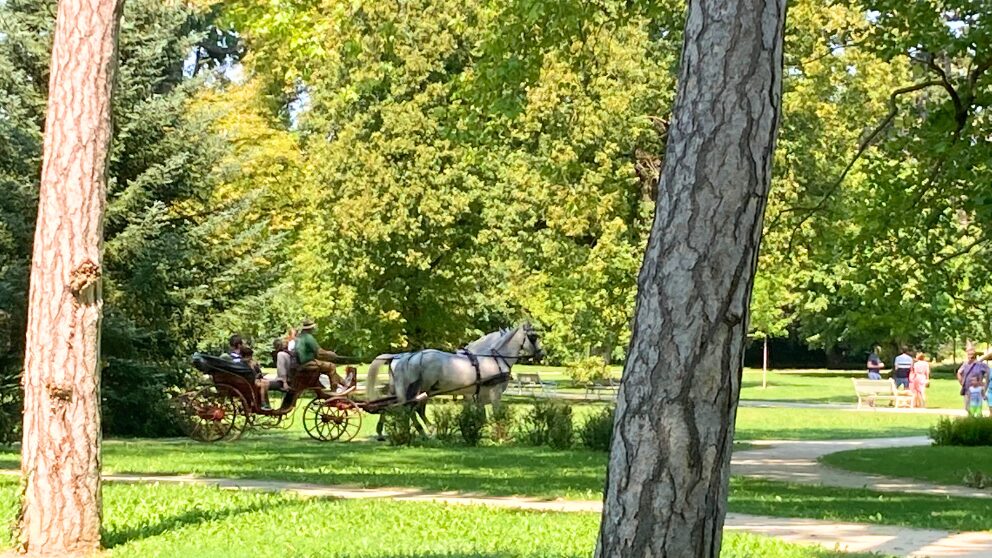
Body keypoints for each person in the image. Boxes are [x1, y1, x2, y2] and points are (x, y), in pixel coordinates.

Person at [296, 319, 353, 394]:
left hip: (302, 363)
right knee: (331, 366)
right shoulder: (308, 338)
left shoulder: (300, 337)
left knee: (329, 368)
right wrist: (331, 354)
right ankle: (334, 390)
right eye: (313, 328)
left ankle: (344, 383)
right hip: (308, 363)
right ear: (311, 328)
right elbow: (320, 352)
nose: (314, 329)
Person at [959, 344, 989, 412]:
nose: (970, 356)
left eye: (971, 355)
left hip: (977, 390)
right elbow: (959, 372)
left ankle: (976, 420)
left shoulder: (981, 365)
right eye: (968, 354)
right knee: (967, 408)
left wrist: (984, 384)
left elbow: (988, 373)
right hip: (967, 389)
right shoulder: (965, 364)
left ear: (974, 355)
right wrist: (962, 383)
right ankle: (970, 420)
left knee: (976, 408)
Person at [241, 346, 272, 410]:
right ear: (247, 356)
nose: (251, 358)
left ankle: (266, 404)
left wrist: (256, 366)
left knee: (266, 382)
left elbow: (257, 373)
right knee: (263, 384)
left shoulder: (249, 363)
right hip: (248, 382)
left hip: (252, 380)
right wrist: (253, 368)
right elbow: (250, 374)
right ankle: (263, 403)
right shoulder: (243, 363)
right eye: (250, 356)